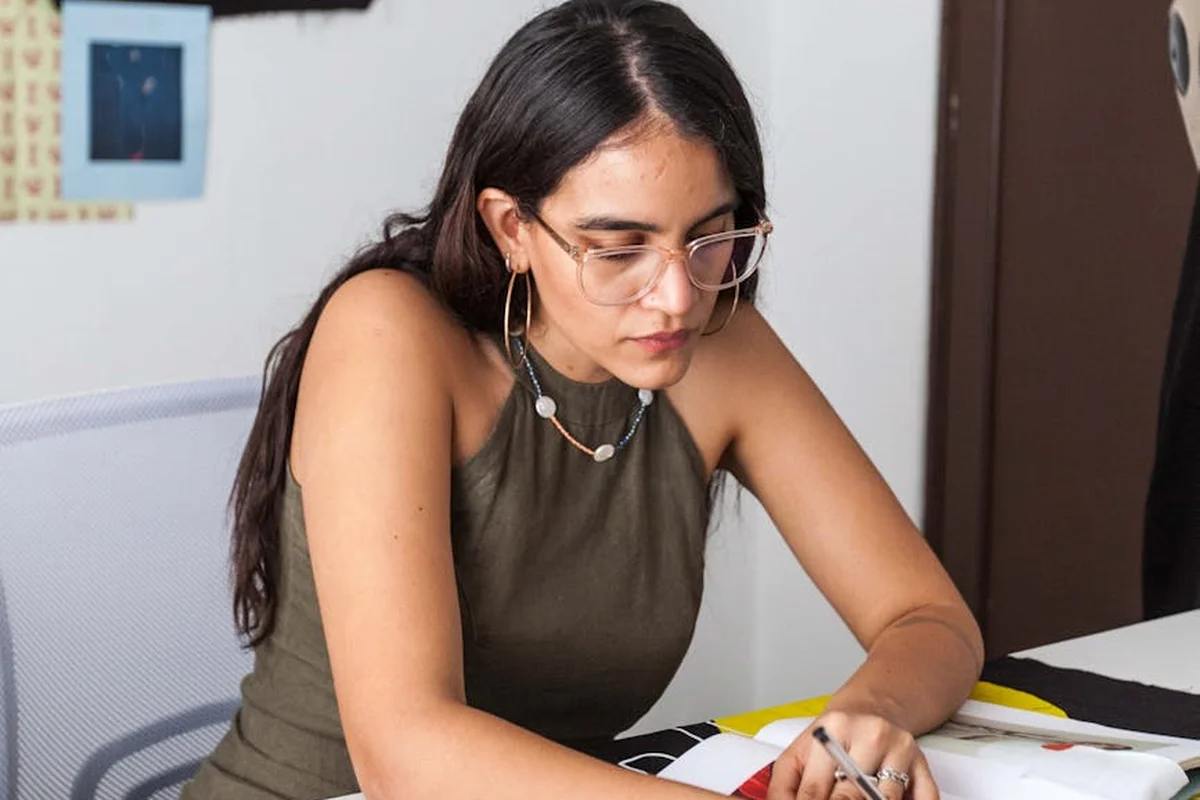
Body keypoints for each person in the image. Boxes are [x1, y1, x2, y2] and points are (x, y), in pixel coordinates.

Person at [182, 1, 984, 798]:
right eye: (619, 249)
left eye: (711, 235)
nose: (675, 296)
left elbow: (929, 618)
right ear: (510, 229)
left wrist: (864, 718)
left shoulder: (720, 343)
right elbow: (404, 754)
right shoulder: (389, 334)